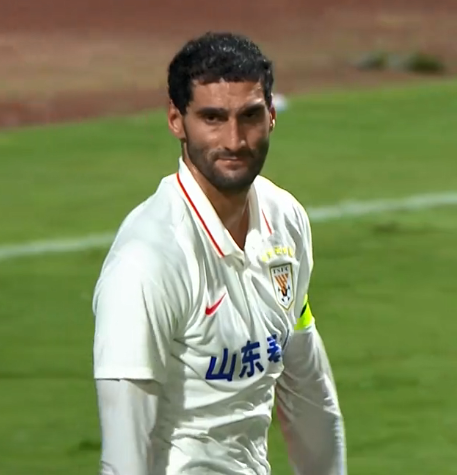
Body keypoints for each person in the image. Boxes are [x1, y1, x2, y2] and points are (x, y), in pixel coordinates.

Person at [92, 31, 346, 475]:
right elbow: (123, 454)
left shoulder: (285, 220)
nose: (234, 140)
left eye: (249, 116)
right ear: (176, 120)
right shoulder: (147, 263)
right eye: (213, 118)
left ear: (271, 115)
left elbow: (307, 387)